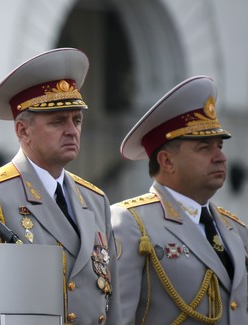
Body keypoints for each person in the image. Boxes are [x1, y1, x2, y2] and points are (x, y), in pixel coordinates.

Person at [0, 48, 121, 324]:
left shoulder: (94, 199)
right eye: (58, 121)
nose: (72, 130)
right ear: (22, 130)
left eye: (76, 120)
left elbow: (111, 301)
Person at [111, 75, 248, 324]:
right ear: (166, 161)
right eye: (204, 148)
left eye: (220, 146)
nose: (220, 157)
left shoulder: (236, 231)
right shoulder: (131, 224)